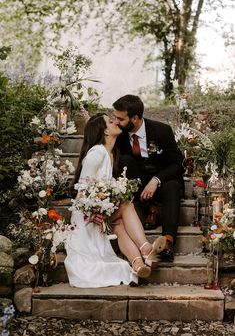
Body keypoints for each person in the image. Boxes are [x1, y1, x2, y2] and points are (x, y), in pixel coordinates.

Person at [65, 113, 166, 288]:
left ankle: (137, 264)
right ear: (104, 131)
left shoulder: (110, 154)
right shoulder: (96, 153)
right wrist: (92, 213)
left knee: (118, 223)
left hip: (99, 211)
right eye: (110, 121)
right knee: (126, 206)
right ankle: (145, 249)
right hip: (86, 218)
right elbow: (82, 191)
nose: (115, 122)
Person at [112, 95, 184, 262]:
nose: (116, 122)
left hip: (161, 183)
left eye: (120, 118)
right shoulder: (119, 135)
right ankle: (151, 209)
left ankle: (167, 242)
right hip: (136, 186)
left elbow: (178, 164)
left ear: (135, 118)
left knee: (173, 186)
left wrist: (156, 180)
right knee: (125, 160)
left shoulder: (162, 131)